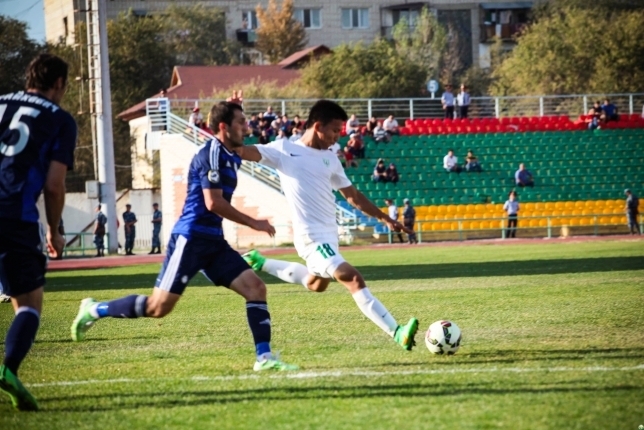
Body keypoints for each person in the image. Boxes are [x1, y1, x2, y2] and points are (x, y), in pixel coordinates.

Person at [70, 101, 298, 372]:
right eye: (241, 122)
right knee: (158, 308)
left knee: (256, 288)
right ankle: (95, 309)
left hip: (214, 241)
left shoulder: (233, 152)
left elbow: (259, 153)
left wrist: (298, 153)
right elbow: (213, 202)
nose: (246, 127)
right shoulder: (211, 154)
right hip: (190, 239)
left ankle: (264, 358)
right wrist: (253, 222)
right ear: (223, 127)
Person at [237, 99, 419, 351]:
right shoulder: (284, 149)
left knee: (316, 283)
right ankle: (397, 332)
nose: (337, 137)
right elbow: (242, 151)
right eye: (334, 130)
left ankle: (260, 262)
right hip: (311, 239)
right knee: (353, 278)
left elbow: (352, 196)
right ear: (318, 126)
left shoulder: (330, 158)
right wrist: (233, 125)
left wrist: (385, 218)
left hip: (330, 238)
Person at [0, 54, 77, 411]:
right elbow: (54, 185)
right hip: (13, 215)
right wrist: (54, 229)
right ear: (59, 83)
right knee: (29, 304)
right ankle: (9, 369)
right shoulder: (59, 119)